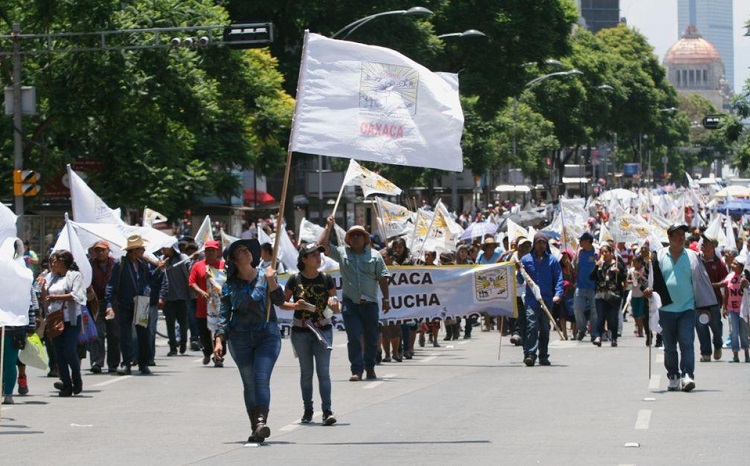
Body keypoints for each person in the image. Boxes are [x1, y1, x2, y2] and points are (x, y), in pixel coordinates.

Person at [213, 239, 284, 444]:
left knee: (260, 377)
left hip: (266, 335)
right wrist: (219, 340)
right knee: (249, 382)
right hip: (240, 337)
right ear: (234, 261)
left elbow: (279, 301)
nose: (246, 252)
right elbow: (224, 315)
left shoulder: (266, 274)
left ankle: (261, 422)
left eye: (247, 250)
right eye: (240, 251)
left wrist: (272, 281)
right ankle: (255, 428)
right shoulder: (229, 285)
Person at [644, 224, 717, 392]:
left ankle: (687, 375)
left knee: (687, 342)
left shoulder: (692, 256)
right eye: (677, 234)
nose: (681, 237)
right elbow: (652, 282)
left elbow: (701, 283)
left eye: (683, 234)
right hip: (666, 309)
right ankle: (673, 376)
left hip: (687, 309)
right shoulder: (659, 256)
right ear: (669, 238)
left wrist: (704, 306)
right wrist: (649, 292)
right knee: (669, 346)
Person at [320, 217, 391, 382]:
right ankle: (357, 370)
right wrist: (328, 227)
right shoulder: (343, 252)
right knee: (353, 337)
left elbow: (382, 278)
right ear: (349, 239)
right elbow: (322, 246)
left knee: (371, 337)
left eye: (359, 235)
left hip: (370, 305)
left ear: (365, 238)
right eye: (353, 235)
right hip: (350, 305)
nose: (356, 237)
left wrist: (386, 299)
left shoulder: (375, 255)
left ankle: (370, 367)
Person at [281, 242, 340, 425]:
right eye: (313, 255)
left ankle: (327, 411)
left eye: (318, 254)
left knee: (323, 372)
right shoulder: (294, 280)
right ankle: (308, 409)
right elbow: (282, 303)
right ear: (304, 259)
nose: (318, 257)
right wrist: (295, 306)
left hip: (322, 329)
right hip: (301, 330)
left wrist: (333, 305)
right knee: (306, 372)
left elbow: (336, 308)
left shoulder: (326, 279)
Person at [105, 235, 156, 376]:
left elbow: (149, 279)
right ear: (134, 250)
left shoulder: (143, 264)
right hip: (125, 303)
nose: (144, 250)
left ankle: (143, 363)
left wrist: (159, 270)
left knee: (143, 334)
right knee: (125, 334)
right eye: (141, 248)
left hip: (142, 303)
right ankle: (126, 363)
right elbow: (111, 285)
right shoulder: (120, 264)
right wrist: (108, 303)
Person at [39, 250, 87, 396]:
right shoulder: (49, 277)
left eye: (55, 261)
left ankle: (76, 379)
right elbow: (44, 298)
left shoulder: (74, 276)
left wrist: (56, 297)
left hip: (71, 319)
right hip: (55, 319)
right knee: (58, 352)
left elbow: (77, 295)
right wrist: (42, 289)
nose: (52, 264)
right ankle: (66, 385)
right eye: (51, 261)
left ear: (63, 262)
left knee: (69, 349)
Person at [519, 232, 563, 366]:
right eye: (538, 242)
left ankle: (543, 355)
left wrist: (558, 294)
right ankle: (530, 354)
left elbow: (558, 279)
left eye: (543, 243)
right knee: (532, 326)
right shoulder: (526, 260)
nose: (541, 245)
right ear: (534, 244)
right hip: (532, 300)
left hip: (547, 300)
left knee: (544, 328)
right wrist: (518, 270)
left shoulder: (552, 261)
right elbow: (520, 279)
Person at [189, 240, 225, 366]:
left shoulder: (223, 266)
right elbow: (191, 282)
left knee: (220, 331)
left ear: (217, 252)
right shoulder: (198, 266)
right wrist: (201, 292)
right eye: (208, 250)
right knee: (204, 333)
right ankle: (207, 352)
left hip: (219, 307)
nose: (210, 253)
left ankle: (219, 357)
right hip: (202, 307)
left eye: (213, 251)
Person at [88, 241, 120, 374]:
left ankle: (113, 363)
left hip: (112, 303)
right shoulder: (90, 265)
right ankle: (97, 362)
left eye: (102, 250)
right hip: (96, 302)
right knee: (97, 333)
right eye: (97, 250)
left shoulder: (116, 264)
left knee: (113, 333)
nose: (100, 253)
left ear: (108, 251)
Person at [589, 244, 627, 347]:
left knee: (612, 318)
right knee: (600, 317)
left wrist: (618, 273)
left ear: (611, 253)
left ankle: (614, 337)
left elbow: (624, 277)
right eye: (602, 252)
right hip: (600, 295)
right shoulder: (599, 265)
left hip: (613, 295)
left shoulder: (617, 264)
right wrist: (597, 266)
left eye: (606, 252)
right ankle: (598, 336)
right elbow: (591, 277)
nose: (604, 254)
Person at [697, 234, 727, 362]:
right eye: (703, 241)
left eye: (706, 242)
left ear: (713, 246)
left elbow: (726, 282)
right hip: (699, 300)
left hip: (714, 300)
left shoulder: (718, 263)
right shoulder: (696, 260)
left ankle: (718, 345)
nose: (703, 243)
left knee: (715, 325)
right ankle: (706, 353)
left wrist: (725, 304)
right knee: (701, 325)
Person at [160, 241, 191, 356]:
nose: (163, 248)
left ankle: (183, 341)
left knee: (183, 323)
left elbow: (189, 268)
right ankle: (172, 347)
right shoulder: (162, 260)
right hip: (168, 298)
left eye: (166, 246)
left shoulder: (182, 258)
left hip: (181, 297)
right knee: (169, 324)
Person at [721, 257, 749, 363]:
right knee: (733, 331)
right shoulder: (730, 276)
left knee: (744, 332)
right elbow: (726, 292)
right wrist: (724, 307)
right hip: (732, 309)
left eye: (735, 264)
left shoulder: (746, 277)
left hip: (743, 310)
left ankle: (747, 354)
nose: (732, 265)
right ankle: (735, 355)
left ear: (741, 267)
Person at [574, 232, 598, 341]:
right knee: (578, 308)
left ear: (588, 241)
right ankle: (582, 329)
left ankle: (593, 332)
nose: (580, 242)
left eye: (582, 240)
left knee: (594, 311)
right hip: (580, 285)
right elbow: (575, 266)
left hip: (593, 286)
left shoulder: (596, 252)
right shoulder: (579, 252)